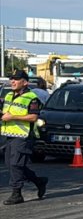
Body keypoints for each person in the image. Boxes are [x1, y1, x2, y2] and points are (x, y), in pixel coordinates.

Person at [1, 70, 48, 205]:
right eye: (12, 79)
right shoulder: (9, 95)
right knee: (12, 165)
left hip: (24, 136)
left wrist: (12, 117)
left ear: (25, 82)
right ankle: (39, 181)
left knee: (16, 164)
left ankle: (17, 194)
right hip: (9, 135)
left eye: (16, 79)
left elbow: (33, 117)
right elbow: (6, 113)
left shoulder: (31, 97)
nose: (13, 82)